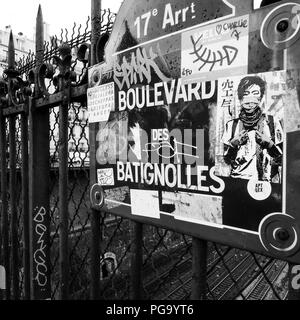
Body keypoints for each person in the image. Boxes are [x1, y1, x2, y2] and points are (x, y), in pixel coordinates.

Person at [221, 75, 283, 182]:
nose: (250, 100)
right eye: (246, 94)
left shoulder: (272, 122)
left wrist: (270, 145)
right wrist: (233, 144)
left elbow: (282, 159)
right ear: (240, 99)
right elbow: (225, 161)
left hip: (266, 182)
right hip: (238, 181)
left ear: (261, 97)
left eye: (255, 94)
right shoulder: (231, 125)